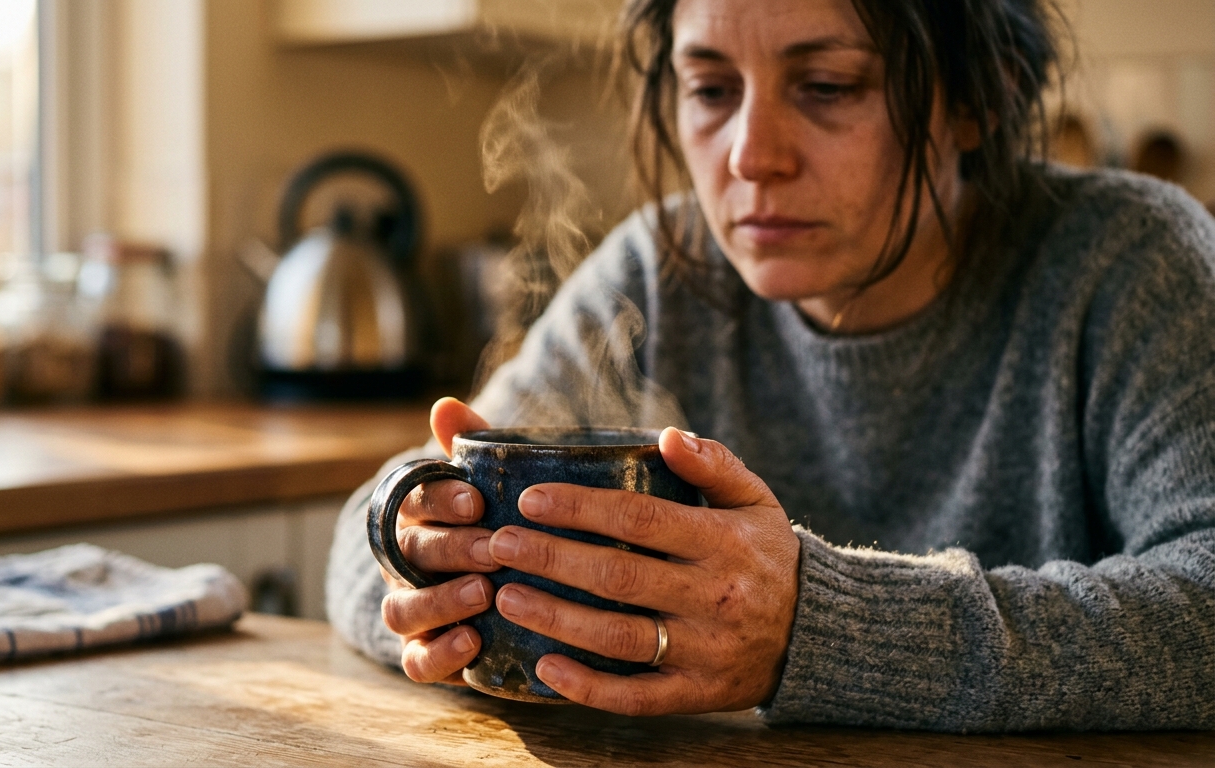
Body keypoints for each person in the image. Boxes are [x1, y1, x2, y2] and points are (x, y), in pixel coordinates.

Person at [326, 0, 1215, 732]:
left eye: (828, 87)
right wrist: (435, 561)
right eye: (711, 88)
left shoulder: (1127, 261)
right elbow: (362, 547)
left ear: (979, 100)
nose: (752, 156)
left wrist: (820, 630)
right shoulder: (661, 270)